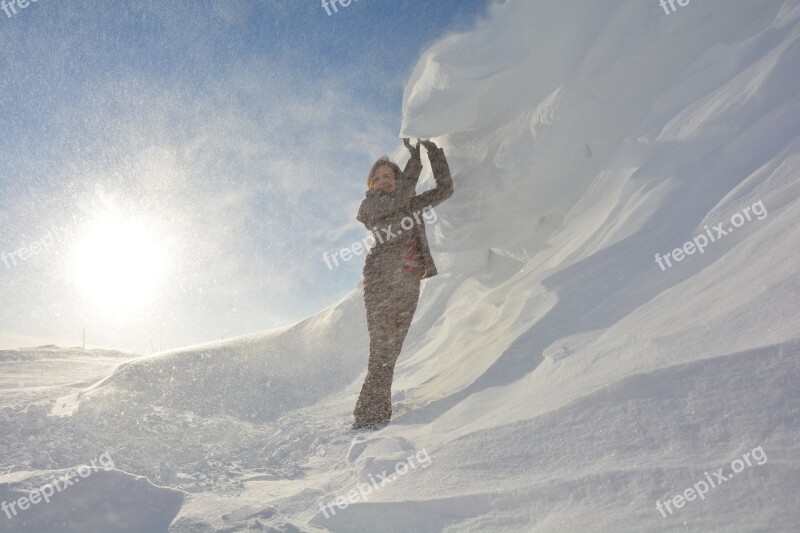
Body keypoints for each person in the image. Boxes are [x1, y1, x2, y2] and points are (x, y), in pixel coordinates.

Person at [352, 138, 454, 430]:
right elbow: (400, 195)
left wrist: (433, 152)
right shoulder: (371, 206)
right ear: (371, 185)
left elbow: (445, 190)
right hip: (381, 281)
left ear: (396, 179)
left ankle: (373, 411)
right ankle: (369, 417)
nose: (383, 181)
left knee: (392, 351)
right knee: (382, 350)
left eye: (389, 176)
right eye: (378, 178)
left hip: (409, 281)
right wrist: (415, 158)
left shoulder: (408, 202)